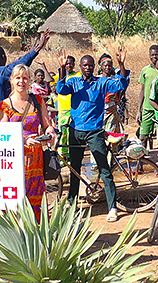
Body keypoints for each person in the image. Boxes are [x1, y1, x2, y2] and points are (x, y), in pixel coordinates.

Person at [57, 48, 130, 222]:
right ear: (80, 67)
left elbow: (121, 84)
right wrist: (62, 69)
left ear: (93, 67)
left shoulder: (101, 82)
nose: (88, 68)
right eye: (85, 65)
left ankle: (112, 207)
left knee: (104, 169)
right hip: (76, 131)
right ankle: (71, 202)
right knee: (74, 169)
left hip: (95, 132)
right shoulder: (73, 82)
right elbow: (61, 89)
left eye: (90, 65)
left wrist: (121, 64)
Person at [0, 65, 56, 221]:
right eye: (18, 78)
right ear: (12, 80)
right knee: (15, 200)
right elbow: (1, 135)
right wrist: (23, 139)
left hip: (35, 160)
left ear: (29, 81)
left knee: (36, 200)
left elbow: (47, 124)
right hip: (14, 160)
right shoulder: (4, 106)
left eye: (25, 78)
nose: (21, 81)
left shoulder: (37, 100)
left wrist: (50, 132)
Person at [0, 29, 50, 122]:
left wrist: (30, 54)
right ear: (3, 57)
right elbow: (14, 68)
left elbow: (14, 65)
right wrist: (35, 51)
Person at [54, 54, 81, 157]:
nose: (68, 65)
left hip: (74, 109)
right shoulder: (61, 76)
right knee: (62, 132)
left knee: (72, 133)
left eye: (70, 63)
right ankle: (62, 155)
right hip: (63, 109)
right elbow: (49, 79)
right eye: (67, 63)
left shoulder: (77, 75)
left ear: (74, 65)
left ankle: (70, 155)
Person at [137, 45, 158, 148]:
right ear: (149, 56)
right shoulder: (145, 70)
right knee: (143, 136)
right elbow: (142, 90)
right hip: (147, 108)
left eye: (157, 54)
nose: (155, 57)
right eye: (153, 55)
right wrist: (139, 110)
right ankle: (141, 161)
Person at [99, 53, 126, 133]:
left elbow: (123, 83)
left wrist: (121, 64)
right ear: (101, 67)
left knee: (113, 134)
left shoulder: (114, 80)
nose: (108, 68)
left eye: (109, 66)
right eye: (105, 66)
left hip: (112, 111)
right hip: (100, 112)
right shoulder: (97, 80)